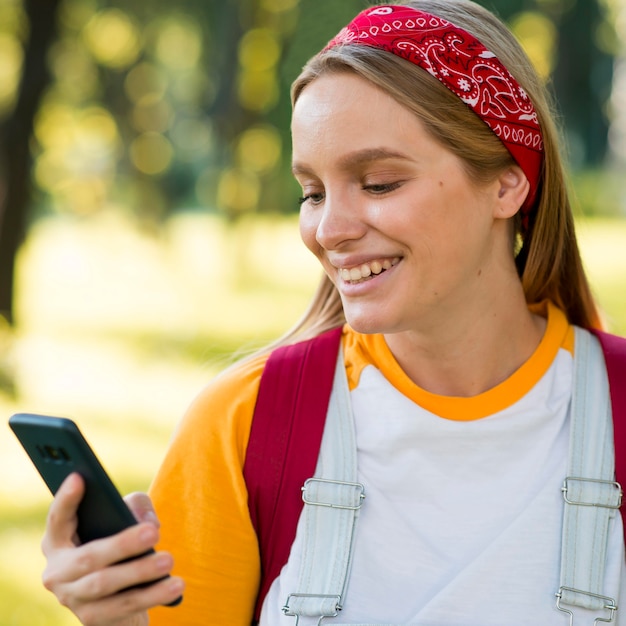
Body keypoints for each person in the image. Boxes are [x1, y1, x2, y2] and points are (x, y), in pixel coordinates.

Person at [40, 0, 626, 624]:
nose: (329, 229)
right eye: (312, 193)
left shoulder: (614, 409)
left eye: (378, 184)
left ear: (508, 184)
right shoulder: (242, 427)